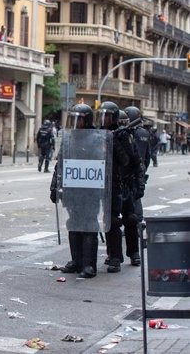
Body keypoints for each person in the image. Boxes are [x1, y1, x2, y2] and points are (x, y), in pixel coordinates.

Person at [50, 103, 100, 278]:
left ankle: (89, 265)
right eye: (74, 119)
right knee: (74, 224)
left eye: (79, 119)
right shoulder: (68, 138)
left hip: (91, 190)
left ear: (87, 120)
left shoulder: (97, 138)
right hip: (72, 190)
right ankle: (76, 261)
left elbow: (103, 163)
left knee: (89, 225)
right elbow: (61, 163)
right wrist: (55, 185)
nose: (76, 123)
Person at [98, 101, 144, 273]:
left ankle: (134, 252)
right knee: (111, 221)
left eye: (108, 116)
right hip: (107, 184)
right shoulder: (97, 134)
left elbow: (129, 161)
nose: (104, 119)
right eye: (102, 115)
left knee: (130, 219)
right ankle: (114, 256)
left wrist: (114, 141)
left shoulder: (124, 135)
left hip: (124, 183)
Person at [122, 106, 151, 267]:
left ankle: (124, 255)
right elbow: (146, 158)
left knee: (127, 215)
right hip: (136, 176)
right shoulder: (145, 134)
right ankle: (134, 252)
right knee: (133, 213)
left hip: (126, 179)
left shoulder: (128, 135)